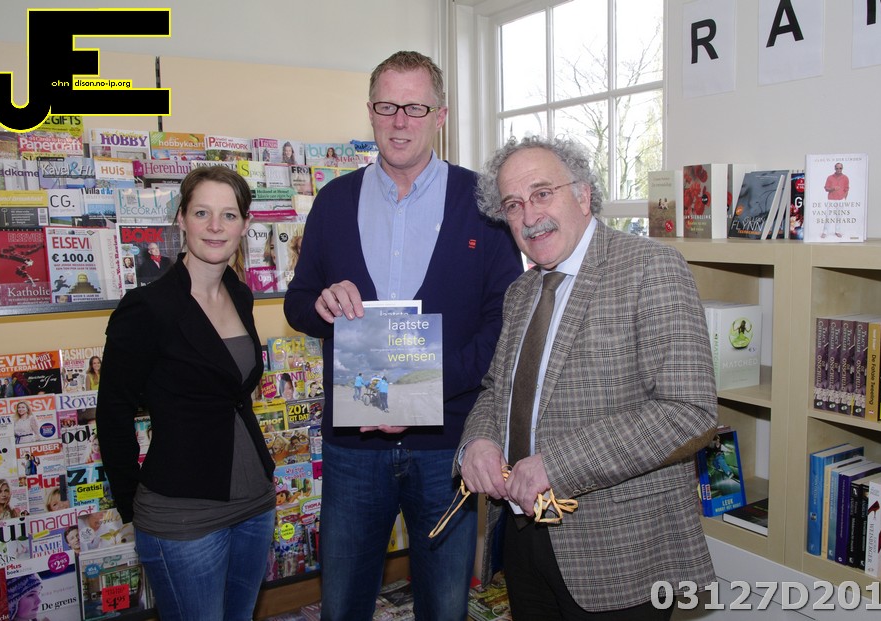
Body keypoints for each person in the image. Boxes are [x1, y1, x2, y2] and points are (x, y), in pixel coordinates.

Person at [283, 50, 522, 620]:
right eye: (387, 106)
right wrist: (321, 305)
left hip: (446, 447)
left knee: (444, 605)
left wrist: (424, 389)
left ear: (440, 116)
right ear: (370, 111)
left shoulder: (482, 204)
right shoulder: (334, 201)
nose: (399, 122)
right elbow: (297, 303)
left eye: (415, 108)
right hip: (354, 450)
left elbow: (503, 324)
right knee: (343, 603)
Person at [457, 136, 718, 619]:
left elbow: (689, 412)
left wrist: (557, 465)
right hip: (522, 539)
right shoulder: (521, 291)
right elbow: (497, 390)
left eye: (542, 193)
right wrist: (477, 442)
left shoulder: (651, 267)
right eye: (513, 205)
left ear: (583, 195)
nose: (530, 216)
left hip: (619, 553)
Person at [97, 165, 276, 621]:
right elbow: (113, 414)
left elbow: (233, 394)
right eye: (202, 213)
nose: (215, 226)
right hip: (182, 517)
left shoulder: (239, 293)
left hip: (256, 504)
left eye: (229, 215)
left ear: (245, 225)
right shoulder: (147, 308)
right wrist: (133, 506)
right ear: (181, 219)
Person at [821, 162, 849, 238]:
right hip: (831, 199)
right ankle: (825, 232)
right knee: (828, 216)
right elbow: (826, 188)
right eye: (837, 168)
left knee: (839, 216)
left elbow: (846, 189)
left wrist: (844, 199)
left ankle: (837, 231)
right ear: (834, 168)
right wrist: (833, 188)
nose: (839, 169)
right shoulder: (830, 177)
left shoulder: (845, 178)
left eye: (840, 168)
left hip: (841, 200)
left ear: (842, 168)